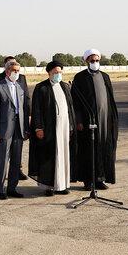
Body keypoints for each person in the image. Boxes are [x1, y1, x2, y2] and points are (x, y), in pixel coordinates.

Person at [71, 49, 119, 191]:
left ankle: (100, 179)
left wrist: (111, 119)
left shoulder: (105, 77)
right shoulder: (80, 78)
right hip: (87, 121)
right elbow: (76, 102)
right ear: (86, 61)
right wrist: (78, 120)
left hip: (104, 120)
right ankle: (88, 180)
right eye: (92, 60)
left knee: (103, 148)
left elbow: (110, 99)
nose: (95, 63)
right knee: (89, 150)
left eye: (97, 60)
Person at [28, 60, 77, 196]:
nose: (58, 75)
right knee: (49, 156)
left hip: (64, 127)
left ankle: (61, 185)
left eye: (60, 72)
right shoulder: (41, 87)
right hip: (49, 129)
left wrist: (71, 125)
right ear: (49, 73)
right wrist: (38, 128)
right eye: (55, 73)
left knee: (63, 155)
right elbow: (36, 109)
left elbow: (70, 108)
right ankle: (48, 186)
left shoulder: (65, 87)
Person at [0, 60, 30, 199]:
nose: (16, 73)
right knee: (2, 160)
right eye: (14, 71)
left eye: (18, 71)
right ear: (7, 71)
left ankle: (12, 188)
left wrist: (25, 129)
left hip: (19, 129)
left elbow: (24, 109)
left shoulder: (21, 87)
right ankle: (0, 189)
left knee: (16, 161)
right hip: (4, 129)